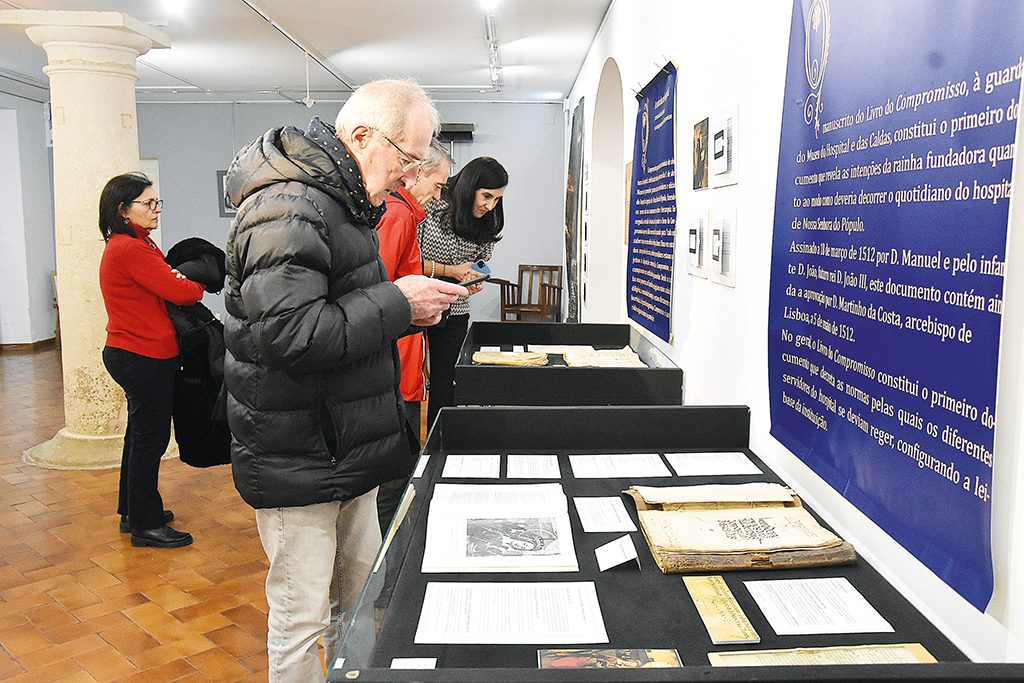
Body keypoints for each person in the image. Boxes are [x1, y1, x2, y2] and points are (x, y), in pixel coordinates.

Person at [221, 79, 466, 683]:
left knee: (358, 602)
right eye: (407, 158)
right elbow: (291, 335)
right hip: (300, 449)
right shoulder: (287, 207)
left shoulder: (344, 202)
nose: (411, 177)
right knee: (303, 618)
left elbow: (343, 313)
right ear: (361, 137)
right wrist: (397, 303)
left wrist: (401, 305)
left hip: (346, 441)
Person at [98, 172, 205, 548]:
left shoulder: (135, 242)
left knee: (139, 435)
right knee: (150, 439)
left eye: (157, 202)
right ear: (123, 210)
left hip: (135, 352)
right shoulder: (131, 248)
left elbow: (167, 283)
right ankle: (145, 523)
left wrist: (176, 279)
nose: (156, 209)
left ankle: (133, 510)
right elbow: (182, 291)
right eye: (148, 203)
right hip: (141, 354)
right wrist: (194, 283)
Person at [374, 140, 452, 536]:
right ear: (417, 172)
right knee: (395, 476)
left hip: (403, 360)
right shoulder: (398, 215)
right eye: (437, 186)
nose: (439, 196)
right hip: (396, 365)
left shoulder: (405, 214)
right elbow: (383, 289)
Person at [418, 156, 508, 430]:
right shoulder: (434, 203)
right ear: (471, 187)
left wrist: (473, 280)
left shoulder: (489, 221)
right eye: (486, 196)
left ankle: (441, 439)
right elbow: (407, 262)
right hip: (416, 302)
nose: (490, 205)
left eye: (497, 199)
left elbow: (478, 266)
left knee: (446, 381)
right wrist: (451, 271)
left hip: (454, 310)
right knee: (410, 377)